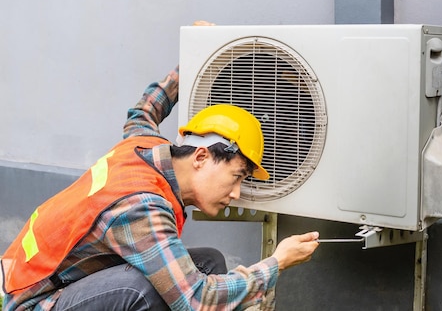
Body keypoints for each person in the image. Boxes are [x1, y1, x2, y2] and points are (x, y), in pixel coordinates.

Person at [1, 22, 319, 311]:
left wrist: (191, 63)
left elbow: (142, 113)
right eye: (236, 177)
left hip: (46, 280)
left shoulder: (143, 146)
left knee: (210, 261)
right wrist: (276, 264)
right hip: (31, 303)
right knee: (139, 289)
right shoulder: (143, 206)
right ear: (201, 158)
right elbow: (195, 298)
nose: (236, 193)